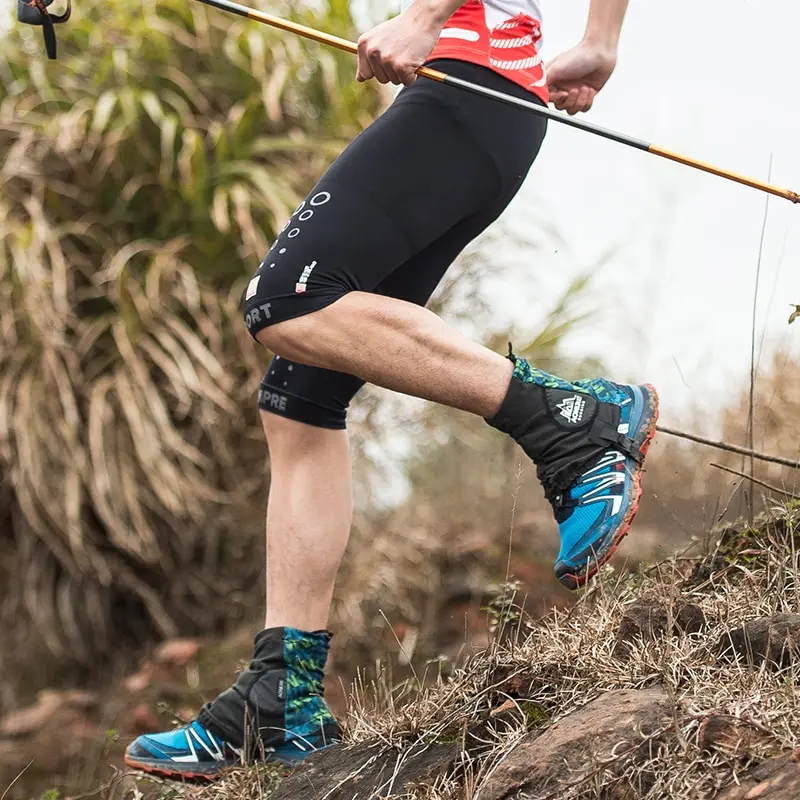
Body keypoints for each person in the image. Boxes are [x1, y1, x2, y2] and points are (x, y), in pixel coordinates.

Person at [125, 0, 658, 779]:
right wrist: (600, 44)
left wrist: (422, 16)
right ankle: (284, 696)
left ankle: (575, 424)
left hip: (468, 82)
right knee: (298, 403)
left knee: (288, 298)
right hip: (481, 95)